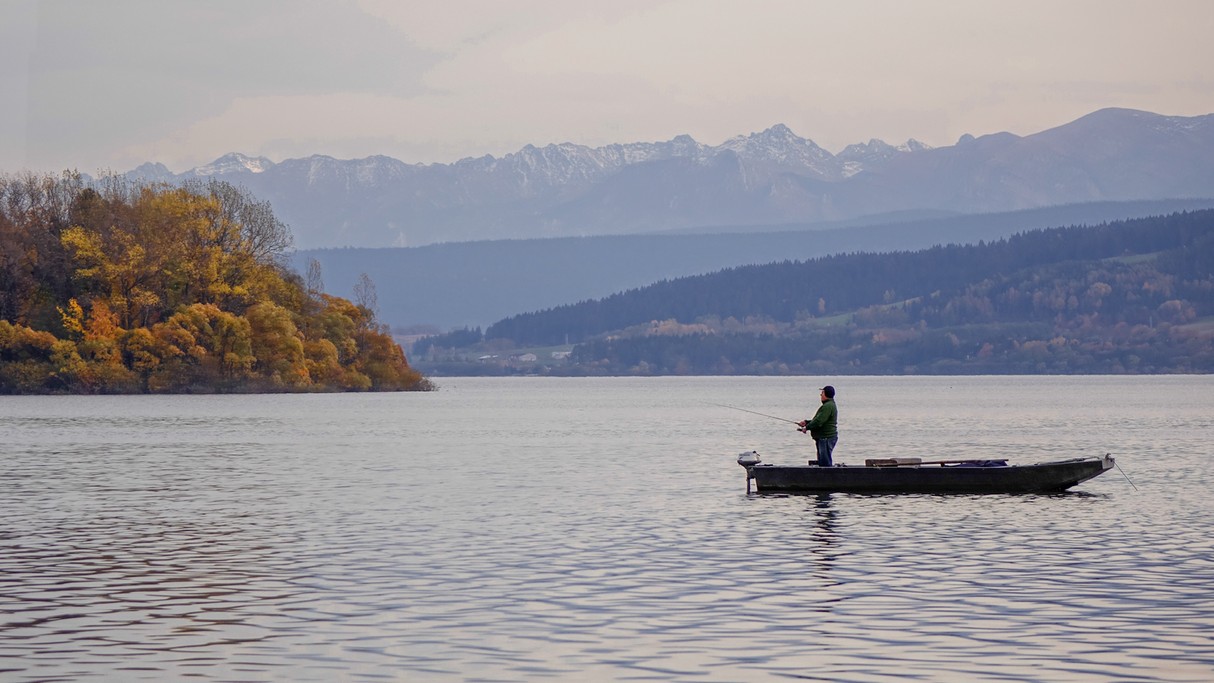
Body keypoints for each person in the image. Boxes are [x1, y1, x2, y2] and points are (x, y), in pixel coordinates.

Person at [798, 385, 838, 466]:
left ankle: (827, 477)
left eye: (822, 393)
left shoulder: (828, 406)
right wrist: (806, 422)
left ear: (826, 394)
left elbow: (819, 421)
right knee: (822, 462)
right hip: (823, 438)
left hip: (826, 438)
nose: (821, 395)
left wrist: (807, 427)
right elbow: (818, 420)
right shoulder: (828, 405)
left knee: (825, 463)